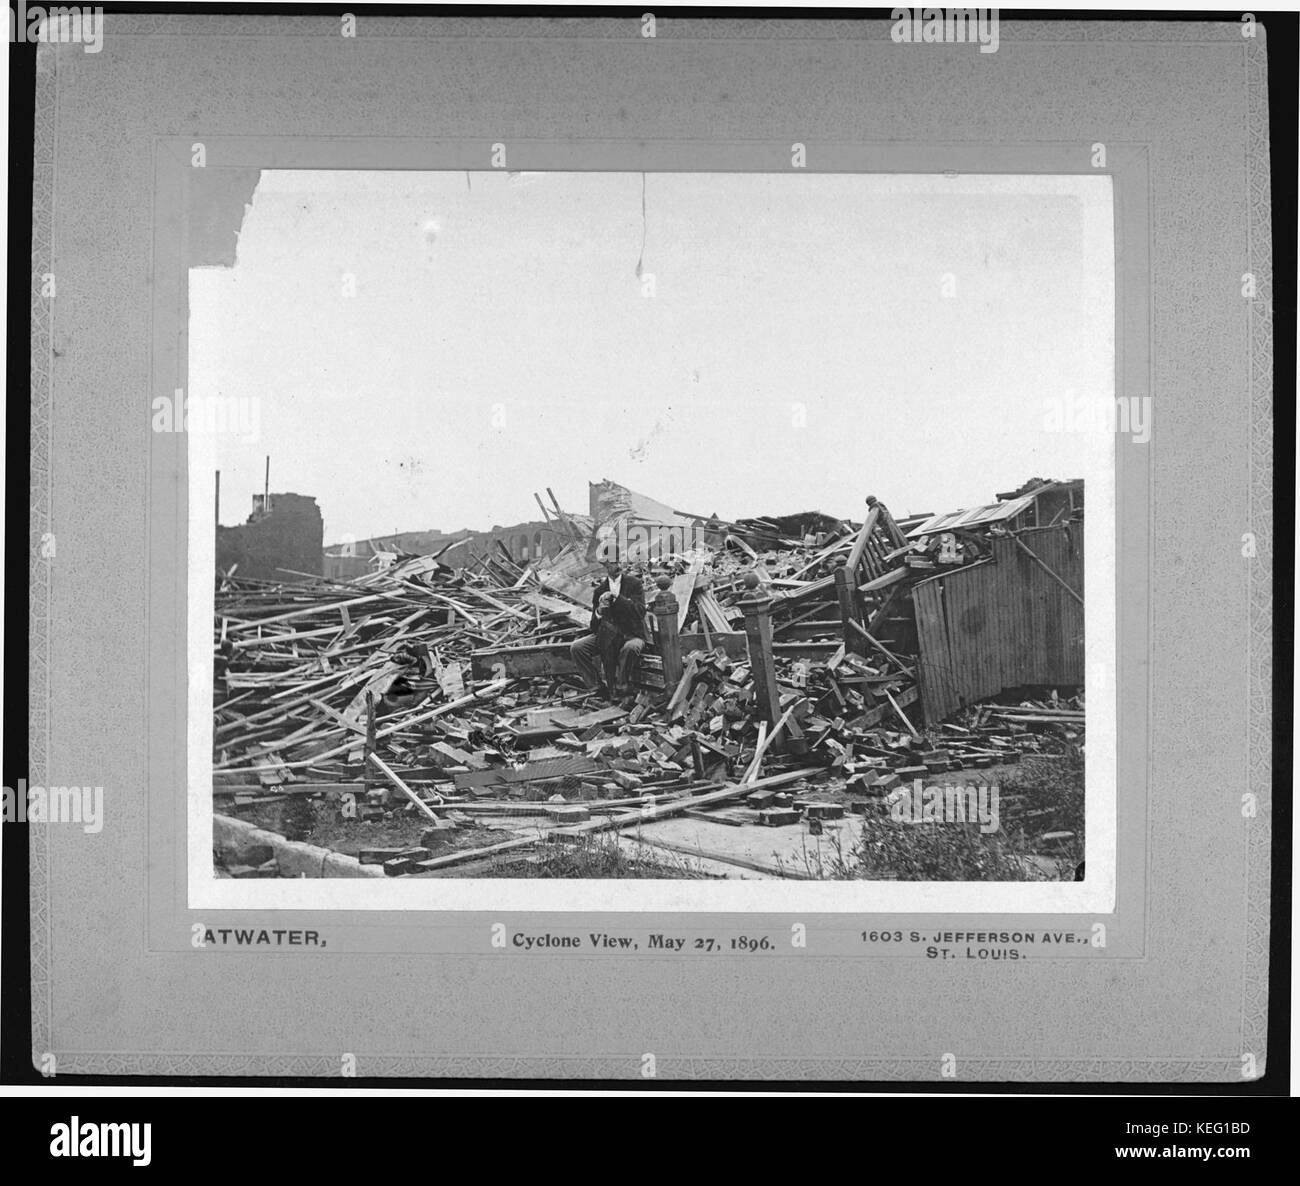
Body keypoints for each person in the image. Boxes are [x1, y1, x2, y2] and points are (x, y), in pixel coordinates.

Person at [570, 557, 646, 702]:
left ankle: (621, 686)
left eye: (618, 562)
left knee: (631, 647)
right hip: (608, 636)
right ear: (605, 567)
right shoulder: (599, 590)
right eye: (612, 563)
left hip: (632, 634)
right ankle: (597, 688)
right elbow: (594, 626)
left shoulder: (634, 584)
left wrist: (618, 598)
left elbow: (640, 611)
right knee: (577, 647)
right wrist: (598, 611)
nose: (617, 566)